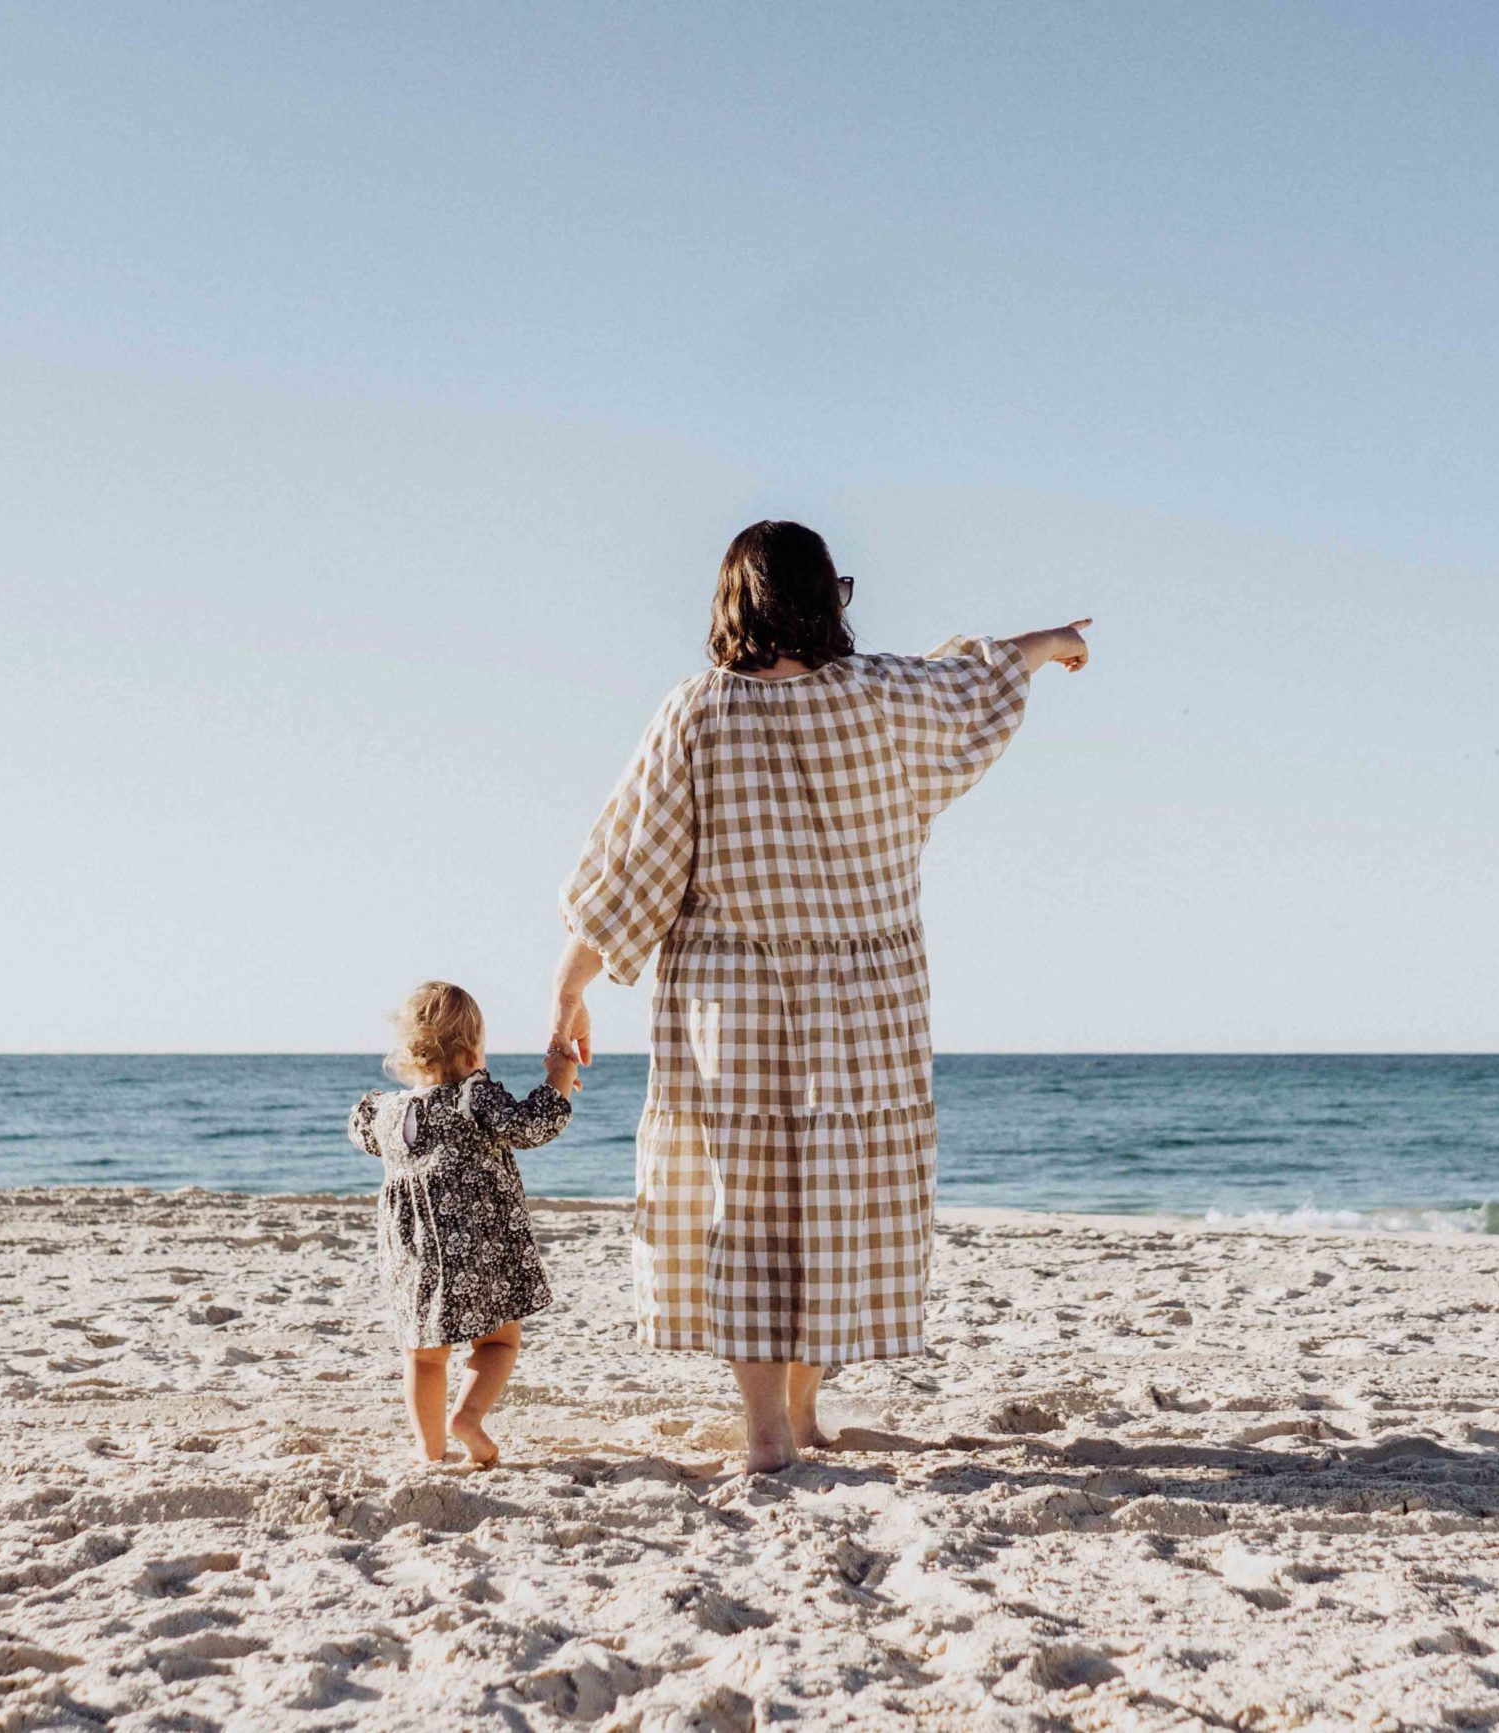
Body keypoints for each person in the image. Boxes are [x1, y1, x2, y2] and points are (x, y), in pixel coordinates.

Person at [551, 520, 1088, 1472]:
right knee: (839, 1197)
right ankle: (802, 1411)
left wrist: (569, 997)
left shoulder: (697, 712)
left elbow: (633, 871)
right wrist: (1047, 645)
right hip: (866, 998)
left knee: (744, 1202)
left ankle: (765, 1428)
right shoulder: (880, 695)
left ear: (733, 604)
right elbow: (976, 679)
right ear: (825, 597)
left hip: (731, 998)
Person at [349, 981, 579, 1466]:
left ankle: (429, 1449)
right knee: (498, 1338)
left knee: (423, 1353)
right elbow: (533, 1126)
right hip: (478, 1247)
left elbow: (362, 1135)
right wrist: (559, 1076)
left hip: (411, 1254)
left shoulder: (385, 1112)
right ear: (473, 1050)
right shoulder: (474, 1099)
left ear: (408, 1053)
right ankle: (467, 1419)